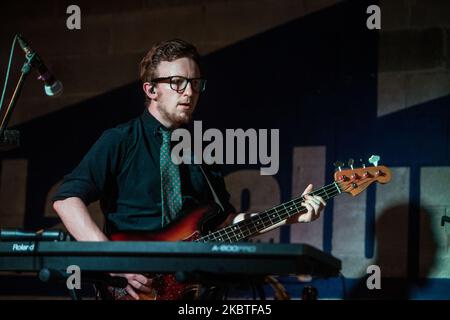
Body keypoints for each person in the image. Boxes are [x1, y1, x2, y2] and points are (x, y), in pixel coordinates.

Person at [52, 39, 326, 300]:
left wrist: (290, 216)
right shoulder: (120, 140)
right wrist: (112, 260)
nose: (190, 92)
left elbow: (225, 225)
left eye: (195, 83)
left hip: (192, 291)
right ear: (151, 90)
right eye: (177, 82)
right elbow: (66, 201)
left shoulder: (203, 154)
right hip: (132, 287)